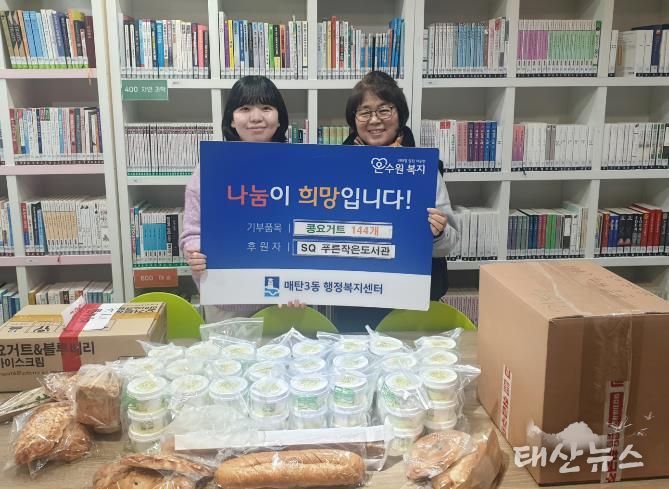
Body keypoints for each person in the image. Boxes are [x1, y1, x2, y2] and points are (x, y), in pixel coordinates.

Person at [333, 70, 460, 330]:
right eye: (364, 112)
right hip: (353, 300)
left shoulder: (423, 170)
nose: (374, 120)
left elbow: (449, 243)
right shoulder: (334, 168)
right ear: (353, 119)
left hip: (411, 300)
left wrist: (437, 234)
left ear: (399, 114)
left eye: (384, 110)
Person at [179, 75, 301, 322]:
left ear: (280, 118)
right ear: (232, 120)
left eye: (266, 107)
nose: (256, 117)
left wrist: (305, 283)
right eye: (245, 108)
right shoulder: (210, 169)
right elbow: (192, 232)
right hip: (228, 301)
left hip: (286, 300)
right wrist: (195, 252)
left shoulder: (300, 166)